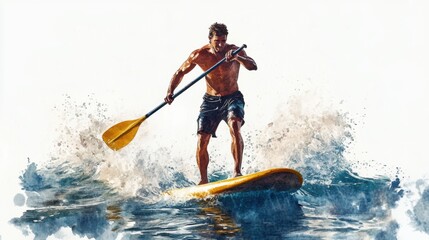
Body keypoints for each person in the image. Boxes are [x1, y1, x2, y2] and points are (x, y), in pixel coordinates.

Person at [164, 22, 257, 185]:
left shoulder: (235, 50)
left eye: (223, 40)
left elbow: (253, 66)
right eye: (217, 41)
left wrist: (237, 57)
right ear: (210, 39)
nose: (221, 45)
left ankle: (237, 172)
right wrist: (170, 91)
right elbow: (180, 72)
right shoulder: (200, 54)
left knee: (235, 125)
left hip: (232, 98)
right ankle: (203, 180)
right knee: (202, 139)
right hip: (210, 101)